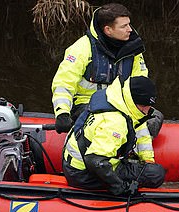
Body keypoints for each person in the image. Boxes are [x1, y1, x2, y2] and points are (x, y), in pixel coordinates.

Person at [52, 3, 163, 136]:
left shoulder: (134, 50)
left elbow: (140, 82)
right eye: (124, 26)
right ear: (108, 30)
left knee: (155, 117)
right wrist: (62, 113)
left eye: (129, 24)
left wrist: (140, 107)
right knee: (109, 119)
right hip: (87, 104)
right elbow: (64, 83)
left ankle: (133, 146)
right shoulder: (82, 48)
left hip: (120, 102)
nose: (130, 30)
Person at [62, 76, 165, 195]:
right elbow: (95, 161)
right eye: (144, 106)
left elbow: (141, 130)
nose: (147, 111)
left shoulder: (117, 98)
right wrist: (120, 186)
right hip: (83, 174)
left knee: (150, 168)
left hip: (75, 162)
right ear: (134, 102)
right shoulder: (115, 123)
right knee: (155, 174)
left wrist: (147, 160)